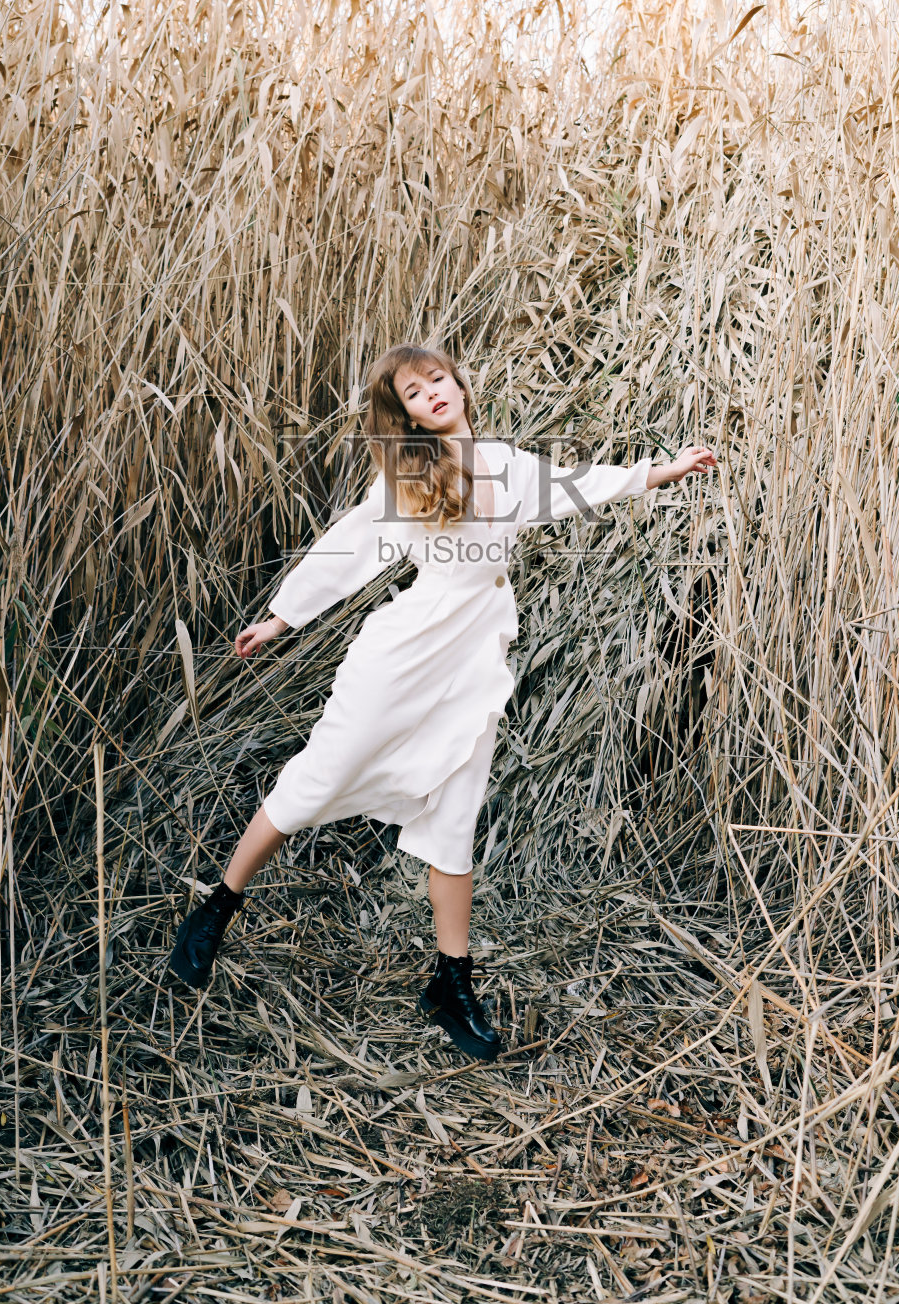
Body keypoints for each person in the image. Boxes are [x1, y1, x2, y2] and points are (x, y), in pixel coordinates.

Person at [168, 342, 716, 1061]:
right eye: (412, 391)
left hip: (473, 665)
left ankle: (450, 983)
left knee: (453, 819)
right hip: (401, 659)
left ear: (458, 385)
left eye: (436, 379)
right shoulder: (409, 474)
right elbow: (350, 546)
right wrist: (280, 617)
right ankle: (217, 908)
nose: (430, 392)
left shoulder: (510, 465)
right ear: (406, 415)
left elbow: (578, 484)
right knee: (316, 782)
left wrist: (659, 472)